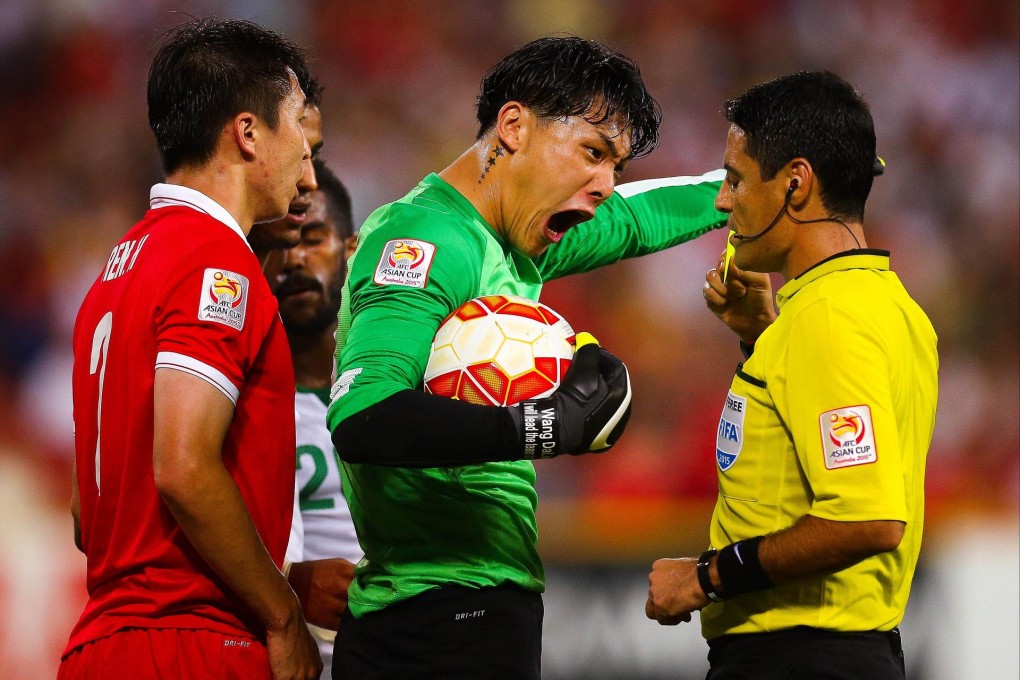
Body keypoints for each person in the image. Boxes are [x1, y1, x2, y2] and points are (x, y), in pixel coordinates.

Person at [328, 36, 728, 679]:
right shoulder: (426, 241)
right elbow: (363, 416)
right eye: (593, 153)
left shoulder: (514, 241)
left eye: (615, 166)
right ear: (513, 127)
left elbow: (638, 218)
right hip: (437, 615)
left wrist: (746, 186)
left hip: (467, 605)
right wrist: (545, 426)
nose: (605, 185)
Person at [644, 71, 938, 680]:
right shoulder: (884, 305)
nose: (723, 201)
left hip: (802, 657)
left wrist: (705, 578)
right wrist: (759, 337)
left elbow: (867, 517)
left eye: (736, 179)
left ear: (795, 184)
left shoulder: (828, 319)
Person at [62, 18, 321, 680]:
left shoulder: (115, 272)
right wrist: (281, 613)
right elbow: (181, 465)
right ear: (248, 133)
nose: (307, 159)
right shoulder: (215, 261)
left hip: (98, 645)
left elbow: (88, 517)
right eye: (298, 122)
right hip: (191, 643)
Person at [265, 159, 362, 680]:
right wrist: (291, 584)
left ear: (351, 250)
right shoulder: (235, 402)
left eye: (313, 238)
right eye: (280, 244)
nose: (294, 260)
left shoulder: (399, 382)